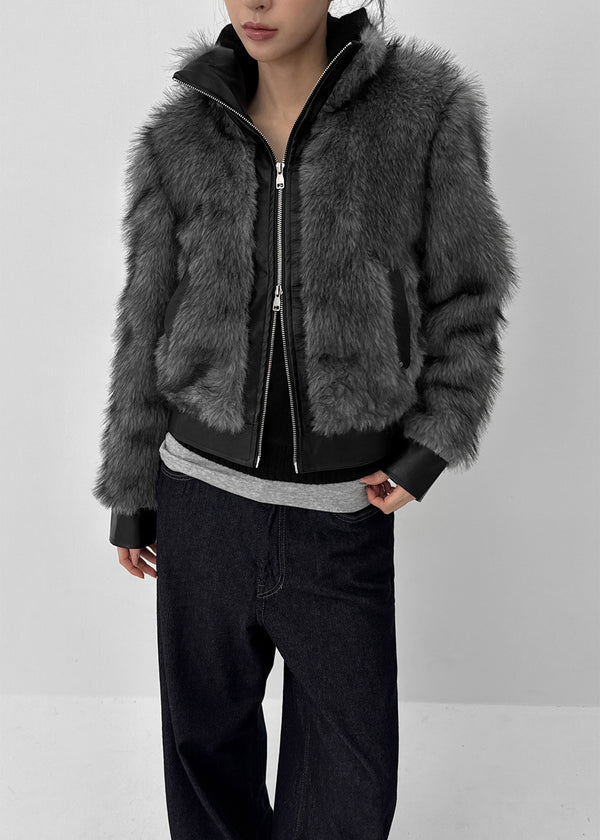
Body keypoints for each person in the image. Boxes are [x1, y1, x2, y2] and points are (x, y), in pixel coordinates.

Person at [92, 0, 518, 837]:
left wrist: (431, 446)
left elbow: (469, 295)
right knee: (204, 749)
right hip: (199, 500)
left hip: (339, 509)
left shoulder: (424, 113)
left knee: (349, 772)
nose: (255, 2)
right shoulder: (179, 136)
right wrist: (132, 488)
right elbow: (145, 317)